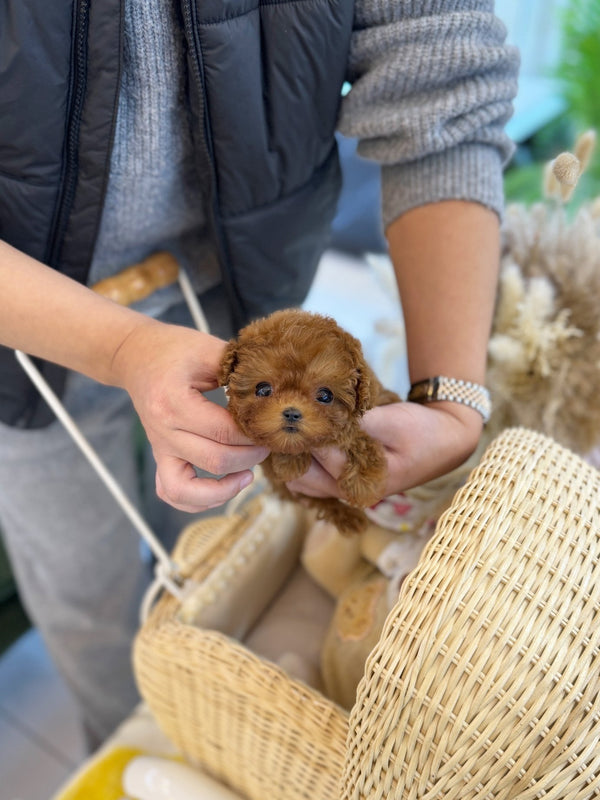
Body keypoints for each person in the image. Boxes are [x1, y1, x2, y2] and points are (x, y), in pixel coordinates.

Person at [0, 0, 519, 748]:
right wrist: (118, 348)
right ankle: (126, 746)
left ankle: (216, 733)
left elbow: (441, 76)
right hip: (21, 340)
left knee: (230, 550)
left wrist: (454, 397)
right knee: (82, 591)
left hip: (240, 292)